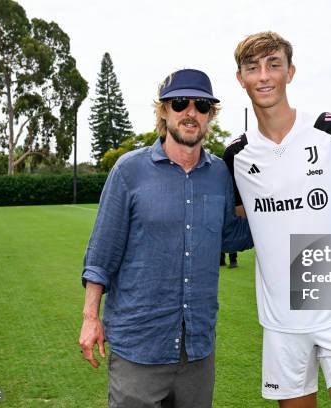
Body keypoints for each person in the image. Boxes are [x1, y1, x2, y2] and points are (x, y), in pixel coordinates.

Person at [223, 32, 331, 408]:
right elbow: (231, 224)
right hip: (281, 325)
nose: (264, 76)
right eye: (253, 68)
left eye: (273, 65)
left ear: (290, 72)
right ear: (240, 79)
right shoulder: (237, 154)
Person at [79, 68, 253, 408]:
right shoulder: (129, 171)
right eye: (179, 104)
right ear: (163, 111)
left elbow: (232, 237)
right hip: (138, 349)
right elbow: (101, 255)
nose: (191, 112)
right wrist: (90, 318)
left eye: (202, 106)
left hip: (197, 352)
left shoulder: (219, 174)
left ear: (210, 116)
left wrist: (283, 209)